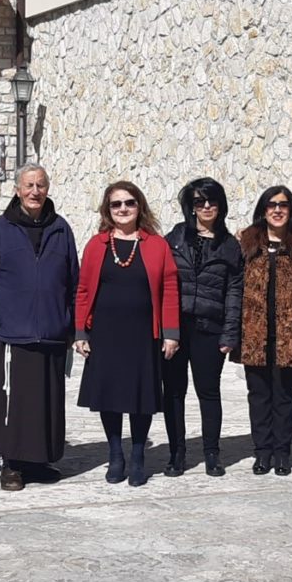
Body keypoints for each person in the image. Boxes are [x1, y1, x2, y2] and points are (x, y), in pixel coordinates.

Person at [0, 164, 79, 491]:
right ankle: (11, 464)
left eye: (41, 185)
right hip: (12, 332)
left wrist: (74, 327)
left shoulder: (61, 229)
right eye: (29, 185)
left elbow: (73, 281)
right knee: (12, 402)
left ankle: (37, 461)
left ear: (48, 189)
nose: (35, 191)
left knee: (44, 403)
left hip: (51, 331)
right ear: (17, 190)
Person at [75, 181, 180, 487]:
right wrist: (80, 331)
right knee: (109, 395)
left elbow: (170, 289)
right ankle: (115, 455)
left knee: (139, 395)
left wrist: (171, 332)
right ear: (107, 210)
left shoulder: (156, 245)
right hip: (105, 332)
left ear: (139, 206)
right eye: (116, 204)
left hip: (143, 333)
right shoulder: (96, 245)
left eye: (129, 203)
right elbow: (83, 290)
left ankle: (137, 456)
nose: (123, 209)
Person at [238, 186, 292, 475]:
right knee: (258, 395)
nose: (277, 210)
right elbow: (235, 288)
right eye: (272, 205)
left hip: (291, 334)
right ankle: (262, 452)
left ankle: (282, 453)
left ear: (291, 210)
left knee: (286, 395)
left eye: (283, 205)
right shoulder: (247, 242)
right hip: (255, 333)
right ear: (263, 210)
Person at [162, 178, 243, 476]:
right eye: (199, 201)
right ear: (191, 207)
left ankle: (212, 453)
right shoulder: (175, 238)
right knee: (174, 391)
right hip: (175, 328)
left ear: (221, 205)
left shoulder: (230, 245)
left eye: (212, 201)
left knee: (208, 391)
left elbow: (234, 292)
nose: (206, 206)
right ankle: (177, 453)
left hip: (210, 328)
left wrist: (230, 334)